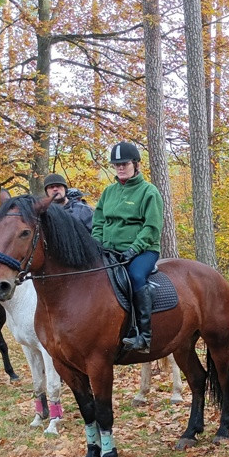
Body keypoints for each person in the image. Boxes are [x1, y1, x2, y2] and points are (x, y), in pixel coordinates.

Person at [91, 141, 164, 353]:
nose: (120, 168)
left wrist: (133, 249)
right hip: (110, 250)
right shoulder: (109, 192)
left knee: (136, 277)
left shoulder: (149, 192)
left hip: (143, 250)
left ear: (135, 164)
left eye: (124, 163)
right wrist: (97, 244)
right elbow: (98, 222)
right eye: (117, 165)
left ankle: (144, 336)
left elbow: (152, 227)